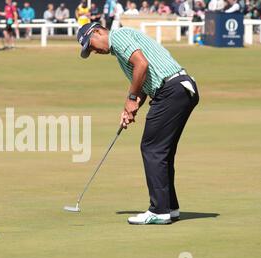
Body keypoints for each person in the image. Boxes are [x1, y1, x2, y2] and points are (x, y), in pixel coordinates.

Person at [76, 22, 199, 224]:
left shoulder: (118, 36)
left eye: (91, 45)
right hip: (179, 90)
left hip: (171, 91)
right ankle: (169, 207)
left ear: (98, 31)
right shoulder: (119, 49)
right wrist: (130, 108)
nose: (94, 51)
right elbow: (143, 81)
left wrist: (131, 99)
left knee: (152, 148)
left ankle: (159, 210)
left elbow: (142, 65)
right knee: (162, 151)